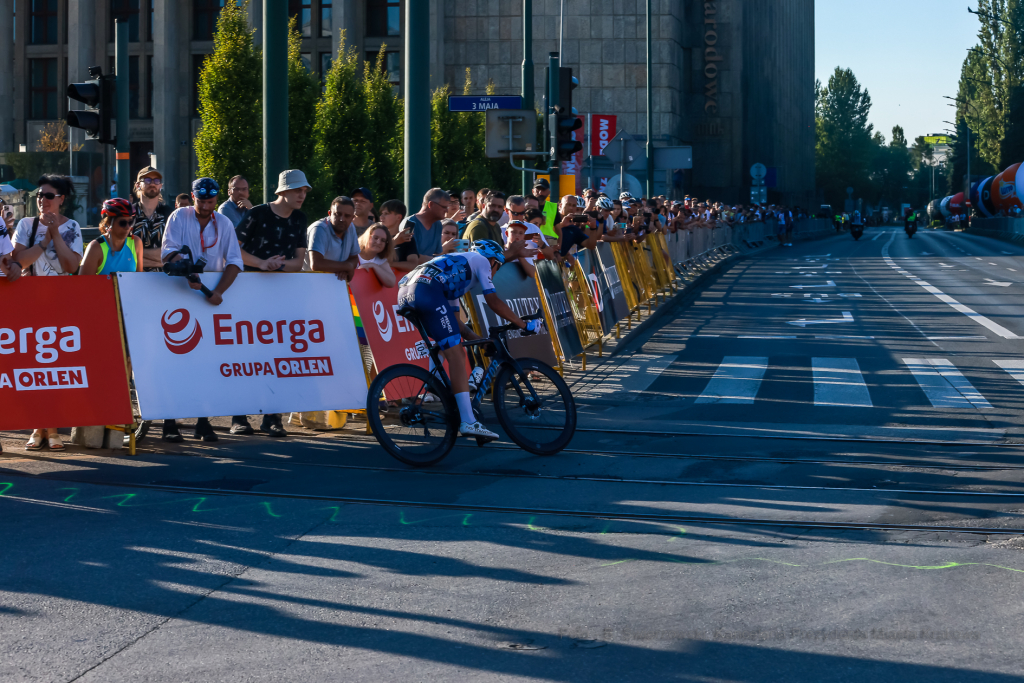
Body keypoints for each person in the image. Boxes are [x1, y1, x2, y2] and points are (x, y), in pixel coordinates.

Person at [397, 240, 540, 440]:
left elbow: (455, 322)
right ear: (493, 262)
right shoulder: (481, 261)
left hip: (408, 291)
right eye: (497, 268)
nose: (494, 274)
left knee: (447, 341)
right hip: (426, 290)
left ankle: (436, 382)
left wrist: (480, 340)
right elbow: (494, 302)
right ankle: (468, 421)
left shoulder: (457, 272)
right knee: (457, 354)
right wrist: (524, 325)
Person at [160, 177, 244, 443]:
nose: (205, 206)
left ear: (216, 199)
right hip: (178, 297)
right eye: (200, 201)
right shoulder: (178, 216)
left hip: (207, 300)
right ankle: (170, 421)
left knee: (207, 363)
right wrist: (186, 270)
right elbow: (168, 252)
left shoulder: (225, 223)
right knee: (175, 360)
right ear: (193, 197)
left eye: (210, 201)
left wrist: (219, 291)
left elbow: (234, 262)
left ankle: (203, 421)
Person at [231, 169, 311, 438]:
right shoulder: (257, 214)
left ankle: (273, 417)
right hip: (248, 292)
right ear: (283, 191)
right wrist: (261, 264)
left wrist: (276, 265)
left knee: (278, 355)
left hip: (282, 295)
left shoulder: (300, 219)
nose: (302, 195)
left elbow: (298, 263)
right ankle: (239, 416)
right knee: (245, 355)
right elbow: (234, 249)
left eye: (304, 191)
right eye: (298, 190)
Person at [9, 175, 83, 451]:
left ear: (61, 199)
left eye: (49, 196)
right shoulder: (26, 225)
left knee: (54, 369)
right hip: (29, 304)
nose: (43, 200)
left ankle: (48, 428)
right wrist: (42, 242)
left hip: (60, 305)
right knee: (33, 369)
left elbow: (70, 266)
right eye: (40, 195)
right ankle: (40, 428)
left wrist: (54, 234)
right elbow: (17, 261)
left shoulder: (72, 226)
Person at [80, 198, 144, 275]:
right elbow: (83, 284)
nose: (128, 227)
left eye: (130, 222)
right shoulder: (95, 248)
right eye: (122, 223)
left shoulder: (136, 242)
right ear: (108, 223)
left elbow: (139, 278)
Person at [304, 195, 360, 281]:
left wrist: (344, 269)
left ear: (353, 218)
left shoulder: (351, 227)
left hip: (333, 283)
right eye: (338, 214)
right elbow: (316, 264)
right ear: (329, 214)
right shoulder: (319, 229)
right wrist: (347, 266)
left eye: (347, 216)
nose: (342, 219)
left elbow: (354, 258)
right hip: (307, 282)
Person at [394, 187, 449, 270]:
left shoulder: (438, 224)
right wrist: (433, 259)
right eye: (444, 207)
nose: (446, 211)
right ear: (431, 205)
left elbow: (438, 255)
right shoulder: (410, 224)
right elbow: (409, 259)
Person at [132, 166, 171, 271]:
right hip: (133, 279)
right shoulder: (128, 215)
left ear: (160, 186)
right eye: (147, 180)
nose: (153, 183)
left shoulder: (170, 215)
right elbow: (121, 254)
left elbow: (173, 254)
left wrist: (136, 254)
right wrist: (161, 259)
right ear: (138, 185)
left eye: (156, 180)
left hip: (164, 279)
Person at [356, 223, 396, 287]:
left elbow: (391, 283)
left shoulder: (381, 260)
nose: (378, 242)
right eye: (375, 238)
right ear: (367, 237)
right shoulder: (353, 253)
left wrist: (373, 266)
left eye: (383, 240)